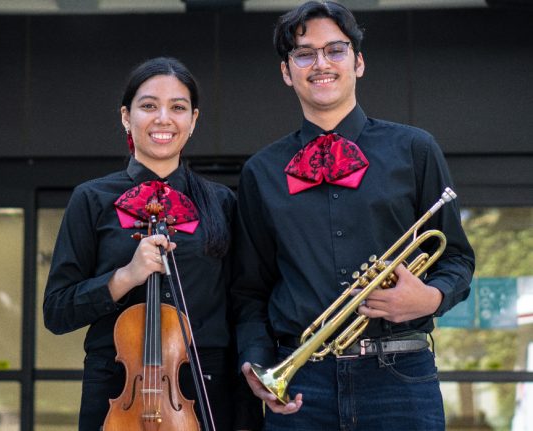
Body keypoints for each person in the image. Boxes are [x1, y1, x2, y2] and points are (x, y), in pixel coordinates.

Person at [231, 2, 475, 430]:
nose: (320, 63)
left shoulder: (415, 150)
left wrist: (430, 298)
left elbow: (455, 257)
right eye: (304, 53)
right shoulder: (261, 172)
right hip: (302, 383)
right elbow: (250, 289)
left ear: (358, 63)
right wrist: (255, 361)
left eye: (335, 50)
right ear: (287, 72)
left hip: (400, 377)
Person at [44, 57, 261, 431]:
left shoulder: (221, 202)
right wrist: (125, 276)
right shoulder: (91, 199)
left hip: (202, 387)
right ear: (126, 117)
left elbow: (242, 304)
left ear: (193, 121)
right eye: (149, 106)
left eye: (178, 107)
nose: (164, 118)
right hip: (117, 387)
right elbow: (57, 311)